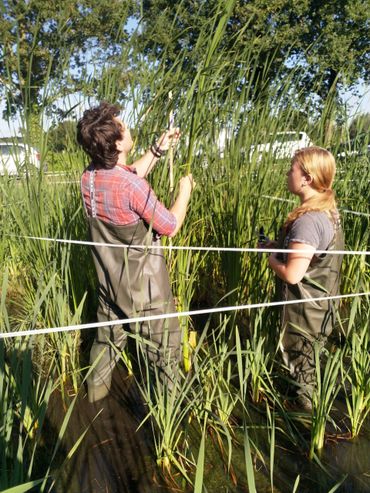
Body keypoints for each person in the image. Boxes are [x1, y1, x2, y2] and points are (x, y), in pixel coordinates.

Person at [77, 101, 195, 403]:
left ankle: (92, 402)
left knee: (106, 344)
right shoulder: (131, 187)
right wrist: (185, 192)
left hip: (110, 287)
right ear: (117, 142)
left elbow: (127, 174)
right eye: (124, 126)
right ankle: (166, 418)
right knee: (165, 352)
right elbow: (169, 225)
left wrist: (158, 148)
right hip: (147, 294)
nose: (128, 128)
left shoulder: (89, 178)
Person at [265, 146, 344, 411]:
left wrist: (272, 260)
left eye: (292, 168)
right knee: (310, 373)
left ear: (306, 178)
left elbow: (293, 274)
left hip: (305, 316)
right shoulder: (328, 211)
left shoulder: (308, 221)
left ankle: (309, 437)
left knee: (304, 385)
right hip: (321, 310)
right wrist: (278, 246)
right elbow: (311, 254)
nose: (288, 173)